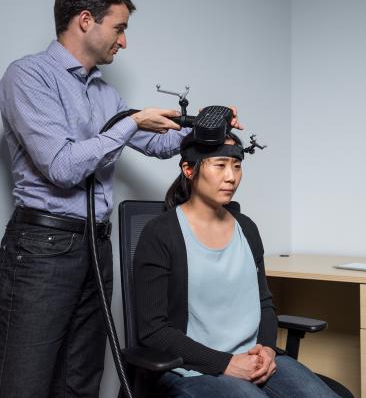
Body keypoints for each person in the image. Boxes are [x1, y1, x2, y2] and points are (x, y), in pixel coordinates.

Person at [0, 0, 241, 398]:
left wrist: (206, 127)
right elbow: (62, 167)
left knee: (80, 379)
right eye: (119, 28)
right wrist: (130, 123)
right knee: (24, 381)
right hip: (43, 247)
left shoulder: (105, 95)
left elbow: (160, 144)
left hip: (95, 247)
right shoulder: (28, 77)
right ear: (85, 20)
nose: (123, 42)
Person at [133, 133, 339, 398]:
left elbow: (264, 303)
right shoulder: (160, 233)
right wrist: (226, 363)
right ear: (188, 169)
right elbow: (154, 331)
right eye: (220, 165)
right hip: (192, 369)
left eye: (237, 166)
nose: (231, 176)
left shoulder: (247, 228)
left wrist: (266, 349)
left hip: (254, 358)